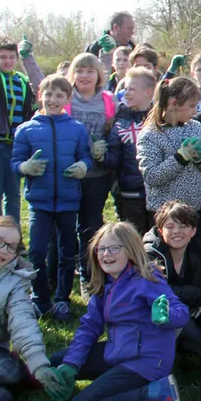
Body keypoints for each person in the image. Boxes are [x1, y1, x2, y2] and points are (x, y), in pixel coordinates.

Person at [48, 222, 189, 401]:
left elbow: (181, 312)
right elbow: (89, 328)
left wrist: (167, 315)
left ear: (131, 250)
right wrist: (71, 364)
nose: (106, 254)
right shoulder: (104, 283)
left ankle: (155, 392)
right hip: (118, 352)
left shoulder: (146, 279)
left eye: (114, 248)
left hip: (145, 362)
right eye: (101, 249)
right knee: (57, 361)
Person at [12, 75, 92, 320]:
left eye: (59, 95)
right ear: (40, 96)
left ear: (68, 99)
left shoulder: (77, 129)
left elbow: (86, 157)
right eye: (48, 94)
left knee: (68, 252)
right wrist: (25, 167)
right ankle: (40, 299)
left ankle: (62, 298)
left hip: (68, 201)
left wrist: (82, 167)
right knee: (36, 252)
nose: (53, 99)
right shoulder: (26, 130)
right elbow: (14, 162)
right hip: (39, 202)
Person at [0, 216, 67, 401]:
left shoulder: (16, 280)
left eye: (11, 246)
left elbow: (23, 322)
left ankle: (13, 371)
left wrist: (39, 366)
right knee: (1, 400)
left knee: (8, 373)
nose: (3, 250)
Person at [137, 77, 201, 271]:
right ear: (174, 104)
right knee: (167, 267)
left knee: (199, 263)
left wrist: (200, 159)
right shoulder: (150, 135)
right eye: (191, 106)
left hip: (196, 210)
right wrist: (180, 158)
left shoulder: (196, 127)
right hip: (167, 217)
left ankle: (200, 299)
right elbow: (152, 176)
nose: (194, 111)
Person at [66, 53, 119, 293]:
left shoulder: (108, 101)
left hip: (97, 175)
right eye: (79, 70)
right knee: (66, 227)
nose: (84, 75)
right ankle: (62, 277)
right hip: (69, 174)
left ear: (98, 74)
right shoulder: (66, 98)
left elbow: (116, 135)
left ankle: (90, 279)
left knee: (90, 226)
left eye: (90, 71)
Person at [144, 201, 201, 355]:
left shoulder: (197, 252)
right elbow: (155, 294)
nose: (176, 232)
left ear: (193, 231)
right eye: (170, 227)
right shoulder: (150, 254)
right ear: (160, 230)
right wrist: (192, 294)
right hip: (153, 312)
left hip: (184, 307)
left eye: (183, 226)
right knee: (195, 340)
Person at [0, 37, 38, 223]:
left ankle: (14, 236)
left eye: (12, 57)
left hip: (15, 144)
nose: (8, 61)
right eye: (3, 57)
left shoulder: (21, 79)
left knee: (13, 194)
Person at [105, 67, 156, 235]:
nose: (126, 93)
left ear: (148, 92)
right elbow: (113, 159)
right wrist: (100, 154)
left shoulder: (161, 120)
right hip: (130, 193)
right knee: (135, 238)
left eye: (131, 89)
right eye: (125, 89)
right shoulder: (120, 121)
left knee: (159, 237)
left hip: (158, 191)